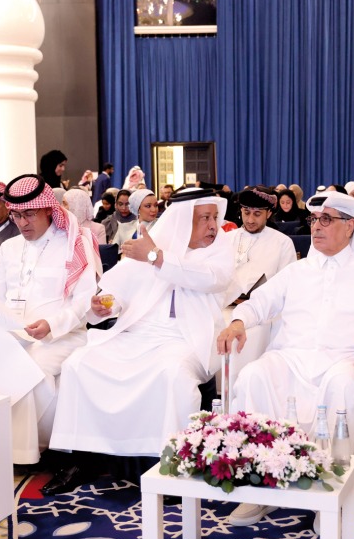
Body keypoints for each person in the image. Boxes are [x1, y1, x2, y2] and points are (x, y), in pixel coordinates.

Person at [218, 191, 354, 527]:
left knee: (342, 385)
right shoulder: (297, 271)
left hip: (347, 362)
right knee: (253, 375)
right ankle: (260, 485)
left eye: (327, 219)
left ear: (350, 226)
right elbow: (259, 302)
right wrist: (238, 322)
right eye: (314, 220)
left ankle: (327, 493)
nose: (316, 226)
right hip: (292, 358)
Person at [48, 189, 234, 478]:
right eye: (205, 218)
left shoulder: (217, 248)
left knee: (172, 374)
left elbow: (212, 279)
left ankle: (171, 462)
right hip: (138, 332)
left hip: (185, 337)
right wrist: (106, 305)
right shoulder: (153, 245)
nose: (213, 225)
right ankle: (83, 458)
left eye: (215, 217)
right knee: (78, 363)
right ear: (183, 220)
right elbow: (119, 290)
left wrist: (155, 257)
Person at [0, 174, 98, 469]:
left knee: (24, 370)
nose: (22, 223)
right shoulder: (9, 248)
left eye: (29, 214)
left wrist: (51, 324)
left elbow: (84, 301)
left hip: (59, 336)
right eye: (16, 215)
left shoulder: (74, 244)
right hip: (9, 335)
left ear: (48, 209)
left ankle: (19, 456)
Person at [220, 186, 297, 305]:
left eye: (257, 214)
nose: (250, 220)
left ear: (268, 213)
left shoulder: (283, 243)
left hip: (266, 311)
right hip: (226, 307)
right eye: (246, 213)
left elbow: (287, 286)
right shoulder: (226, 239)